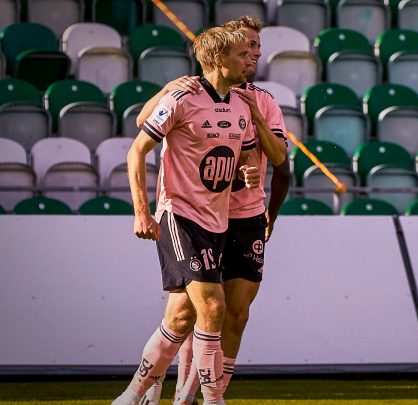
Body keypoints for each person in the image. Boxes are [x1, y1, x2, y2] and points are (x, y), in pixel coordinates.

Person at [136, 17, 291, 405]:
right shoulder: (188, 92)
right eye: (247, 48)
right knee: (196, 312)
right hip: (196, 209)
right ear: (224, 53)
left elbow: (279, 161)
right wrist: (167, 88)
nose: (254, 54)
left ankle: (192, 396)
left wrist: (257, 182)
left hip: (243, 214)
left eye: (256, 47)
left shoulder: (260, 101)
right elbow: (144, 127)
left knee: (231, 313)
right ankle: (160, 391)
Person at [112, 27, 261, 405]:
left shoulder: (242, 105)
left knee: (180, 319)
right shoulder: (181, 97)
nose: (250, 60)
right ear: (218, 59)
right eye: (243, 54)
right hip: (179, 214)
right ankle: (212, 400)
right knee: (213, 306)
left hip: (219, 220)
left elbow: (242, 152)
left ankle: (132, 395)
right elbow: (136, 151)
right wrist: (142, 213)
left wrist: (248, 168)